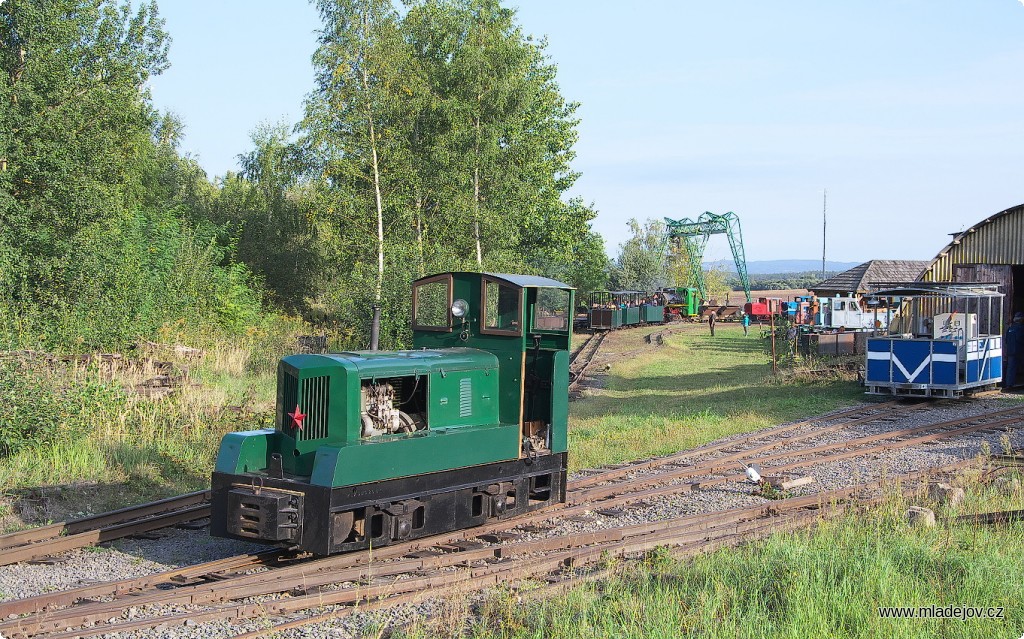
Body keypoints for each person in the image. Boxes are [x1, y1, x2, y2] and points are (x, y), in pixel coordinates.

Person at [1004, 312, 1024, 390]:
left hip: (1010, 350)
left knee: (1011, 367)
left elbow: (1006, 340)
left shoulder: (1010, 328)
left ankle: (1009, 383)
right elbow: (1021, 339)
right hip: (1019, 350)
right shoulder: (1021, 328)